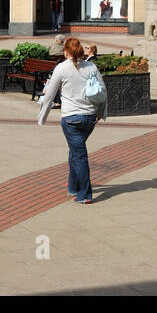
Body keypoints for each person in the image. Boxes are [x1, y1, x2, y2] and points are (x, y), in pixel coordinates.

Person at [37, 37, 106, 203]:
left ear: (66, 51)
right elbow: (103, 91)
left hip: (71, 119)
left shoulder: (61, 68)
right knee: (75, 152)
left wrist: (42, 117)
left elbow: (50, 94)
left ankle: (85, 194)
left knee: (79, 155)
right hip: (90, 118)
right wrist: (100, 113)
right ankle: (73, 187)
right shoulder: (91, 66)